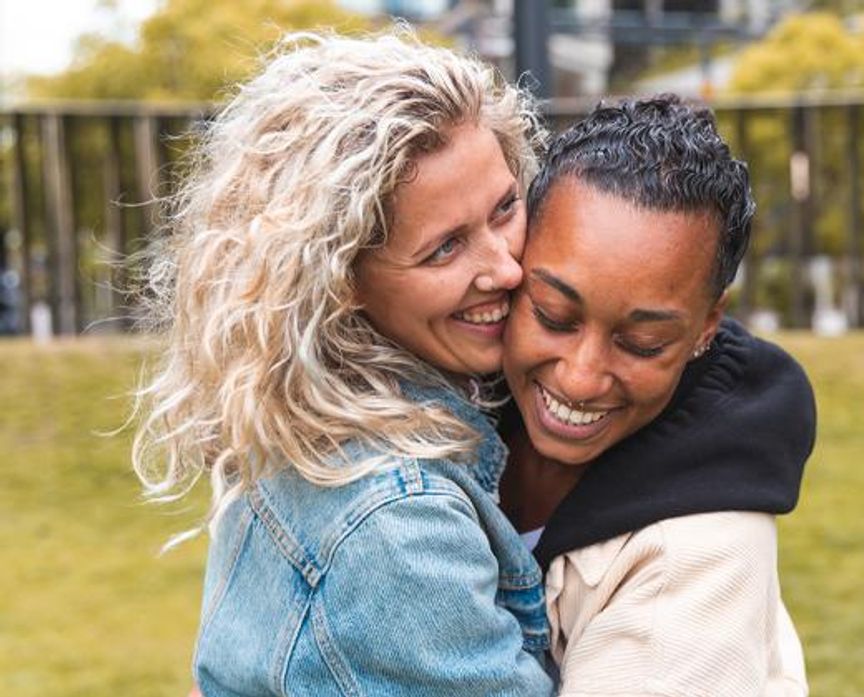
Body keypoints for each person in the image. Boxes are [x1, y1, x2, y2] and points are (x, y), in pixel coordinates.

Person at [131, 32, 555, 695]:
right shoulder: (394, 520)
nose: (504, 266)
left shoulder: (314, 420)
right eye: (444, 248)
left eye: (504, 207)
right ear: (339, 279)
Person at [499, 95, 815, 696]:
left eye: (641, 343)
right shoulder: (448, 388)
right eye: (553, 314)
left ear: (706, 327)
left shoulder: (697, 561)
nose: (580, 377)